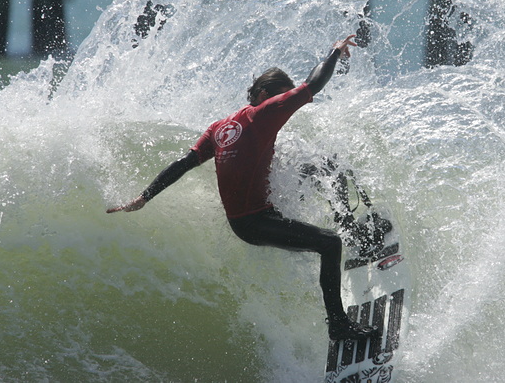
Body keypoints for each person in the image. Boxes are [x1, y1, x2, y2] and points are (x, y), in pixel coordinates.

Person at [107, 34, 377, 341]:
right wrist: (334, 52)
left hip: (255, 212)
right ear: (264, 95)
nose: (283, 109)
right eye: (280, 99)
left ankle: (351, 226)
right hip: (255, 222)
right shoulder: (266, 113)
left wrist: (144, 197)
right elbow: (312, 85)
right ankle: (339, 325)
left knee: (324, 164)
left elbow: (183, 164)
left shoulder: (219, 128)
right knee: (329, 244)